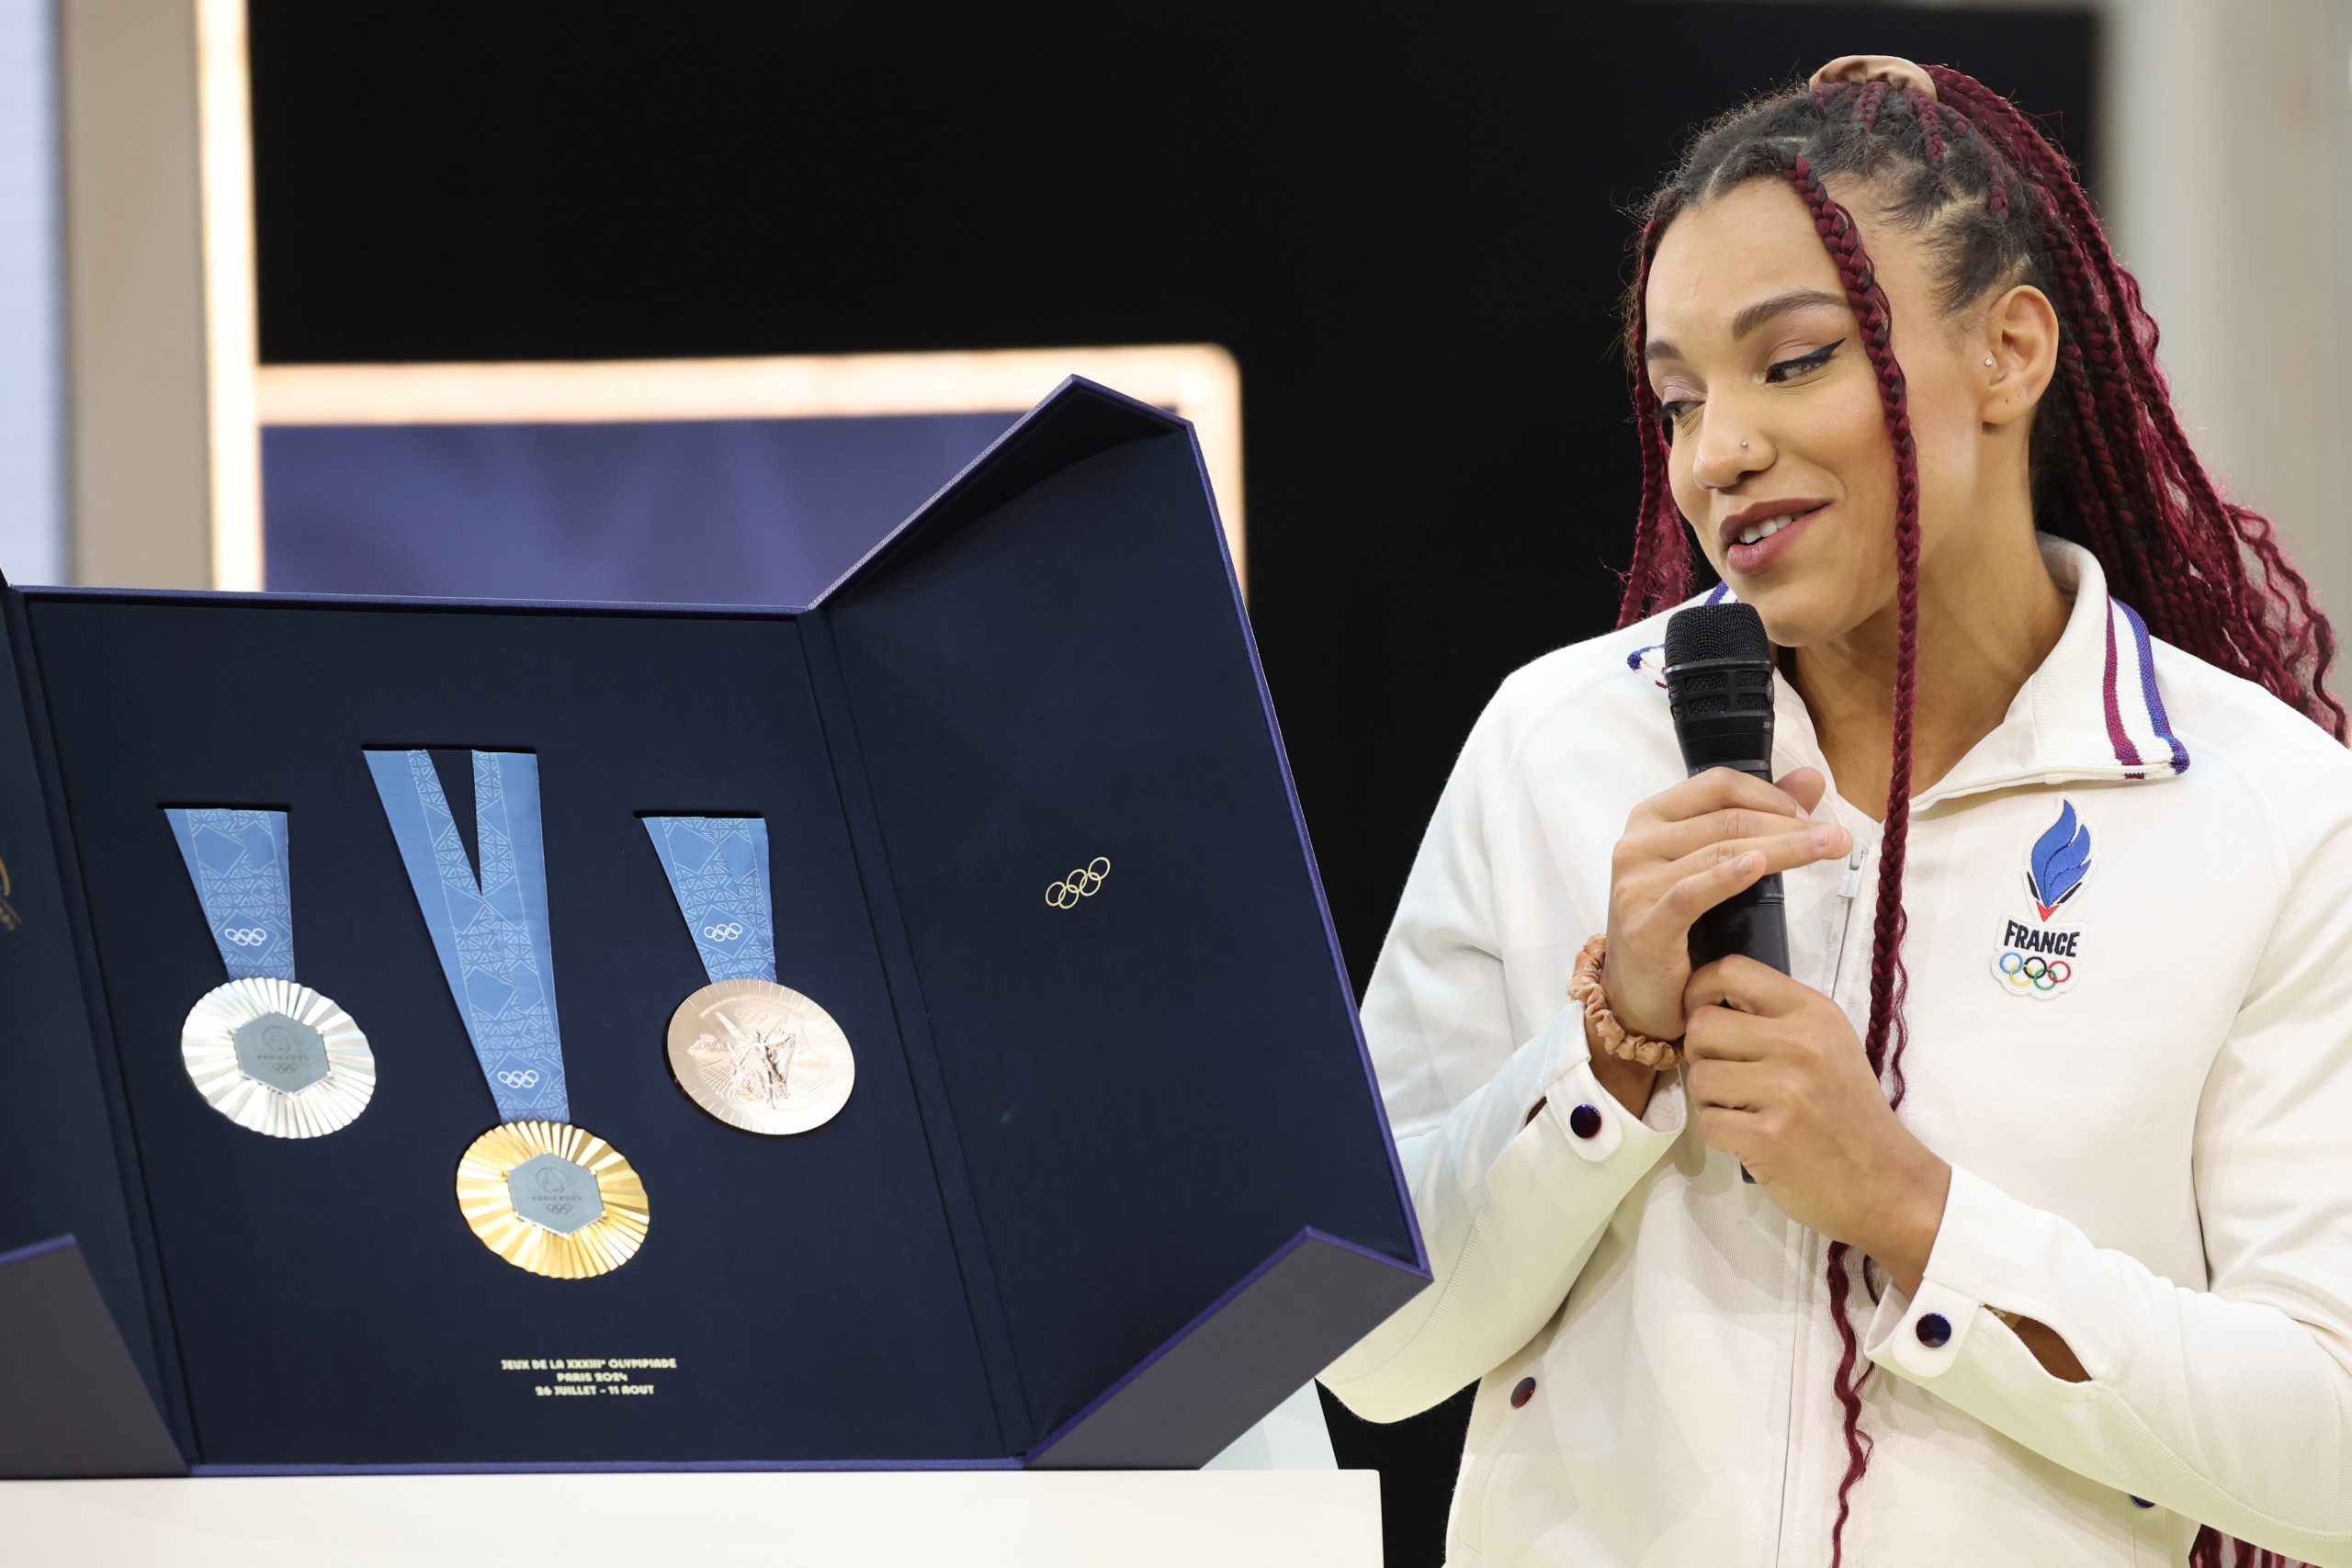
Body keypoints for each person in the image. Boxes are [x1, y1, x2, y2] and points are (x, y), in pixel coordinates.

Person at [1318, 55, 2352, 1568]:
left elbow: (2328, 1452)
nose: (1714, 449)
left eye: (1793, 360)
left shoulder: (2271, 814)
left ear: (2009, 353)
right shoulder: (1560, 745)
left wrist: (1918, 1214)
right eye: (1676, 397)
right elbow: (1370, 1350)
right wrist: (1604, 1062)